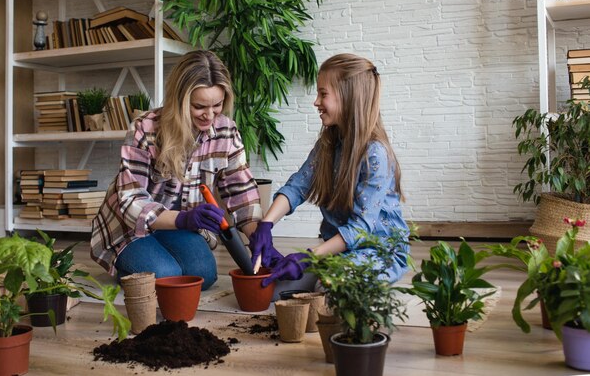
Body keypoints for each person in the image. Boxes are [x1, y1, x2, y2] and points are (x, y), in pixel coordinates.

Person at [90, 50, 262, 290]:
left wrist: (257, 235)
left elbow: (241, 192)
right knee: (166, 277)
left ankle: (156, 257)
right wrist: (184, 218)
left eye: (218, 105)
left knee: (202, 276)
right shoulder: (146, 128)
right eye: (199, 106)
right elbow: (131, 200)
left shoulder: (226, 131)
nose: (210, 115)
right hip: (131, 228)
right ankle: (129, 266)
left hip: (180, 227)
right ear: (179, 99)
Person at [249, 53, 410, 295]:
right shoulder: (329, 143)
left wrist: (308, 257)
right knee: (273, 289)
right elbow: (298, 186)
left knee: (328, 289)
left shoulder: (375, 154)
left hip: (379, 251)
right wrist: (266, 224)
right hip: (339, 250)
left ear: (348, 97)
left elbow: (361, 228)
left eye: (323, 94)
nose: (316, 102)